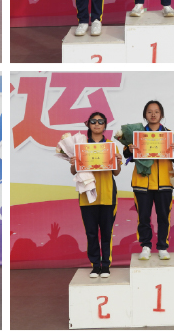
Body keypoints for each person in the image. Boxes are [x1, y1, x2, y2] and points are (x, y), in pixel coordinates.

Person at [121, 100, 174, 260]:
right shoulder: (137, 134)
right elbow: (126, 153)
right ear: (145, 115)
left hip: (164, 183)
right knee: (143, 217)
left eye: (156, 111)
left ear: (161, 114)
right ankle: (146, 246)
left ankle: (162, 247)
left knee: (164, 216)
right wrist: (130, 149)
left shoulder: (169, 135)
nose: (153, 114)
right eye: (149, 111)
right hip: (142, 182)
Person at [69, 112, 120, 278]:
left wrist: (117, 161)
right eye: (93, 121)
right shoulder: (81, 146)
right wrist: (73, 162)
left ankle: (105, 266)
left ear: (105, 125)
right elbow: (73, 171)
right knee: (91, 233)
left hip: (107, 194)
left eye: (100, 121)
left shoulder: (111, 145)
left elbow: (116, 172)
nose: (97, 124)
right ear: (88, 124)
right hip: (87, 195)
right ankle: (95, 266)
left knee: (106, 233)